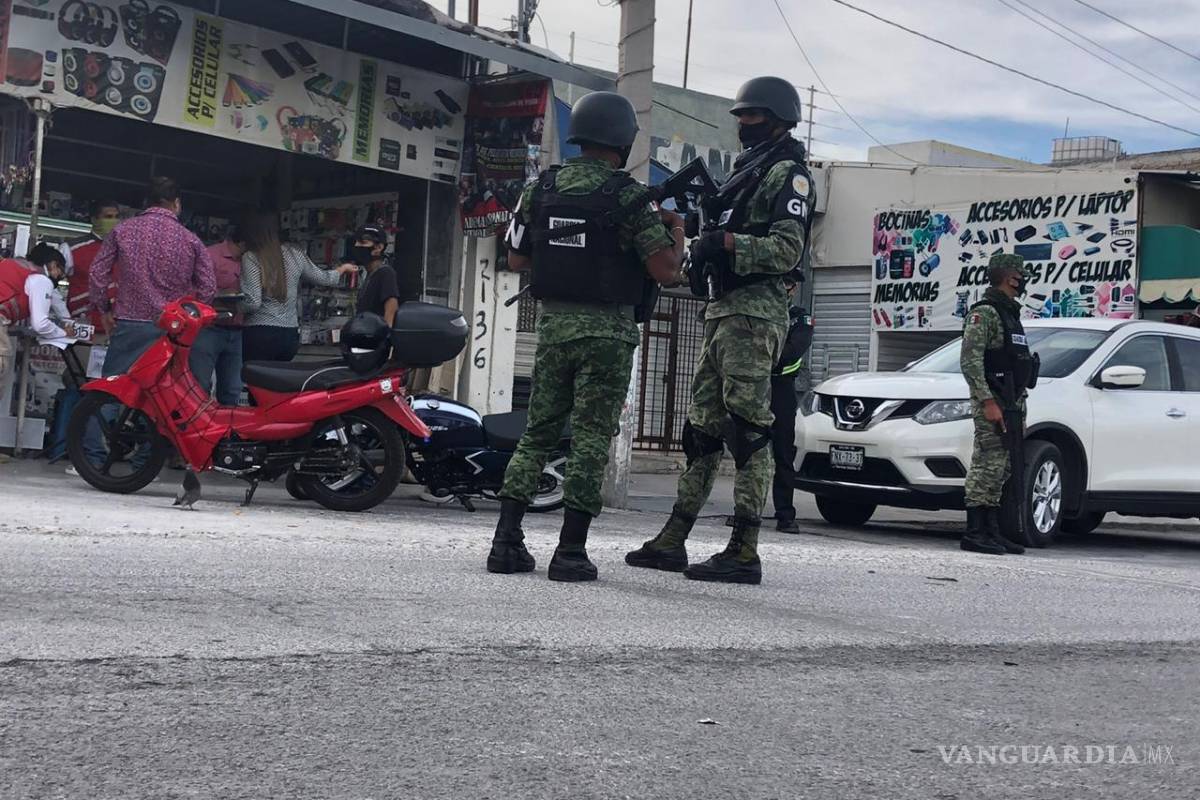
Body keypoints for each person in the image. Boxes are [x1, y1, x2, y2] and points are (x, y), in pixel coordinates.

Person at [487, 90, 685, 582]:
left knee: (537, 433)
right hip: (608, 337)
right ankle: (570, 552)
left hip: (554, 329)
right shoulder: (630, 196)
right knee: (592, 437)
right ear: (622, 139)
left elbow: (515, 258)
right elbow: (665, 270)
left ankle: (506, 542)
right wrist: (675, 228)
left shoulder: (540, 188)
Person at [626, 76, 815, 585]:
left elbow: (785, 251)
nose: (742, 125)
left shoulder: (788, 175)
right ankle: (673, 539)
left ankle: (745, 548)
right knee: (702, 431)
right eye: (740, 117)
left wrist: (727, 243)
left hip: (755, 315)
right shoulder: (743, 174)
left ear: (777, 120)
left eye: (752, 117)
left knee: (750, 432)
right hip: (721, 309)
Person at [89, 177, 216, 380]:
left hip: (129, 324)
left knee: (113, 392)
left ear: (147, 201)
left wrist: (104, 310)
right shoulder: (191, 240)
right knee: (163, 398)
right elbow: (208, 287)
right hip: (172, 328)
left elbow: (97, 273)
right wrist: (191, 319)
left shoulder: (122, 231)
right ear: (176, 203)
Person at [960, 253, 1034, 556]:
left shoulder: (1010, 314)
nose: (1025, 280)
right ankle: (975, 531)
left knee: (1002, 468)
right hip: (993, 401)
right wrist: (988, 401)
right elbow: (970, 361)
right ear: (1011, 277)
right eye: (1022, 275)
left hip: (1013, 401)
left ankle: (992, 531)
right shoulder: (985, 314)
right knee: (987, 465)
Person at [240, 210, 356, 363]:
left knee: (255, 383)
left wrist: (231, 306)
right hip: (289, 334)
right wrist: (342, 269)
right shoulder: (295, 254)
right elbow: (323, 278)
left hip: (261, 332)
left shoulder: (251, 257)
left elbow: (253, 302)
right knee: (279, 383)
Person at [769, 288, 814, 534]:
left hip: (781, 389)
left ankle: (785, 514)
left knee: (784, 454)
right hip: (756, 386)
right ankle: (744, 511)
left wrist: (760, 356)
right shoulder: (761, 311)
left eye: (788, 284)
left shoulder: (799, 318)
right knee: (748, 450)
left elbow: (792, 351)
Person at [190, 225, 247, 405]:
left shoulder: (248, 260)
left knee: (232, 387)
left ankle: (228, 430)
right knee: (200, 385)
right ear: (241, 242)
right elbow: (196, 290)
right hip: (209, 328)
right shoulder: (210, 255)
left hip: (236, 329)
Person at [62, 199, 121, 336]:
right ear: (94, 219)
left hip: (118, 330)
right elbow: (49, 286)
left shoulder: (127, 251)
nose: (114, 221)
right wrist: (63, 317)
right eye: (108, 217)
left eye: (117, 217)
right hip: (83, 326)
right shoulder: (72, 249)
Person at [351, 225, 401, 325]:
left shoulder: (385, 273)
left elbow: (391, 310)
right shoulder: (369, 275)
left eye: (363, 243)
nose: (357, 246)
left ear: (378, 247)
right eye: (356, 242)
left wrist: (386, 336)